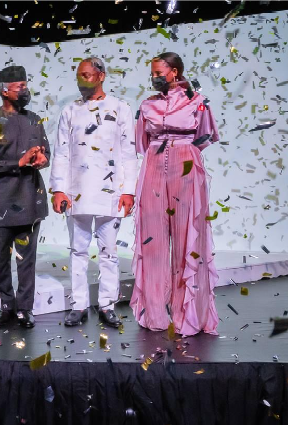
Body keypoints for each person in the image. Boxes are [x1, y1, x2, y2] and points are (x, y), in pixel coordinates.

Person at [130, 52, 220, 336]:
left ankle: (189, 316)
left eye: (159, 72)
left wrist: (180, 151)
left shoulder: (198, 101)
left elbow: (205, 136)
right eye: (153, 73)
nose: (154, 77)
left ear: (175, 72)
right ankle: (154, 314)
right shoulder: (147, 105)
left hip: (186, 167)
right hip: (154, 167)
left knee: (187, 238)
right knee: (153, 241)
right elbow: (141, 141)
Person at [49, 57, 139, 328]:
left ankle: (107, 305)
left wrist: (129, 191)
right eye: (79, 75)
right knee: (78, 251)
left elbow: (129, 153)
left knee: (109, 252)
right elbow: (61, 152)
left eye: (87, 75)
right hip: (76, 192)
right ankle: (78, 305)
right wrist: (58, 189)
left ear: (101, 76)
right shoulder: (70, 111)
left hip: (111, 193)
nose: (82, 80)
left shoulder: (121, 108)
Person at [0, 65, 50, 329]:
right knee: (1, 258)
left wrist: (42, 159)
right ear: (5, 91)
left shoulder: (35, 120)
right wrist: (16, 163)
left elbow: (47, 152)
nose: (25, 91)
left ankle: (25, 309)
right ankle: (6, 306)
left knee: (27, 259)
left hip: (30, 199)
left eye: (26, 85)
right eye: (20, 87)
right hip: (0, 201)